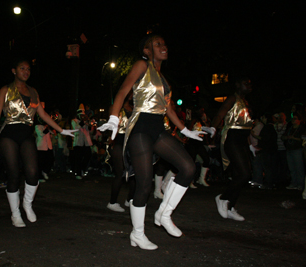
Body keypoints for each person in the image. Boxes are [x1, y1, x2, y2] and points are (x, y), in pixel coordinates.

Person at [99, 34, 206, 250]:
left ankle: (164, 214)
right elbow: (123, 90)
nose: (163, 46)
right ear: (147, 51)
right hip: (140, 127)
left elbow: (168, 109)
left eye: (164, 43)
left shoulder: (162, 77)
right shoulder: (142, 65)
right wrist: (112, 117)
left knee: (188, 167)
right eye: (157, 44)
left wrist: (185, 130)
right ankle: (137, 234)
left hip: (158, 127)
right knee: (144, 183)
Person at [0, 57, 76, 227]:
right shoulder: (5, 90)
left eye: (28, 69)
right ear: (14, 71)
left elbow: (43, 115)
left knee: (33, 172)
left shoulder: (33, 92)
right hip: (8, 134)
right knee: (13, 174)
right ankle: (15, 213)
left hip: (26, 134)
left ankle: (27, 204)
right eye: (22, 68)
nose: (26, 72)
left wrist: (62, 130)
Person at [209, 74, 253, 222]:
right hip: (232, 139)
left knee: (240, 175)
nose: (248, 84)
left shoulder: (245, 102)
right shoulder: (232, 99)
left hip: (241, 140)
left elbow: (246, 125)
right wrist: (213, 128)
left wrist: (250, 144)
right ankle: (223, 198)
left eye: (249, 83)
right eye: (245, 82)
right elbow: (220, 114)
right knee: (244, 173)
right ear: (237, 85)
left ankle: (231, 206)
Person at [282, 112, 305, 191]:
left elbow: (303, 139)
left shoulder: (301, 129)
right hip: (289, 149)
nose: (293, 120)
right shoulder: (290, 128)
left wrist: (293, 138)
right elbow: (283, 137)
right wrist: (288, 137)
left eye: (295, 119)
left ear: (299, 120)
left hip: (297, 150)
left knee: (299, 168)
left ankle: (300, 184)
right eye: (293, 118)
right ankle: (294, 183)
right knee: (292, 168)